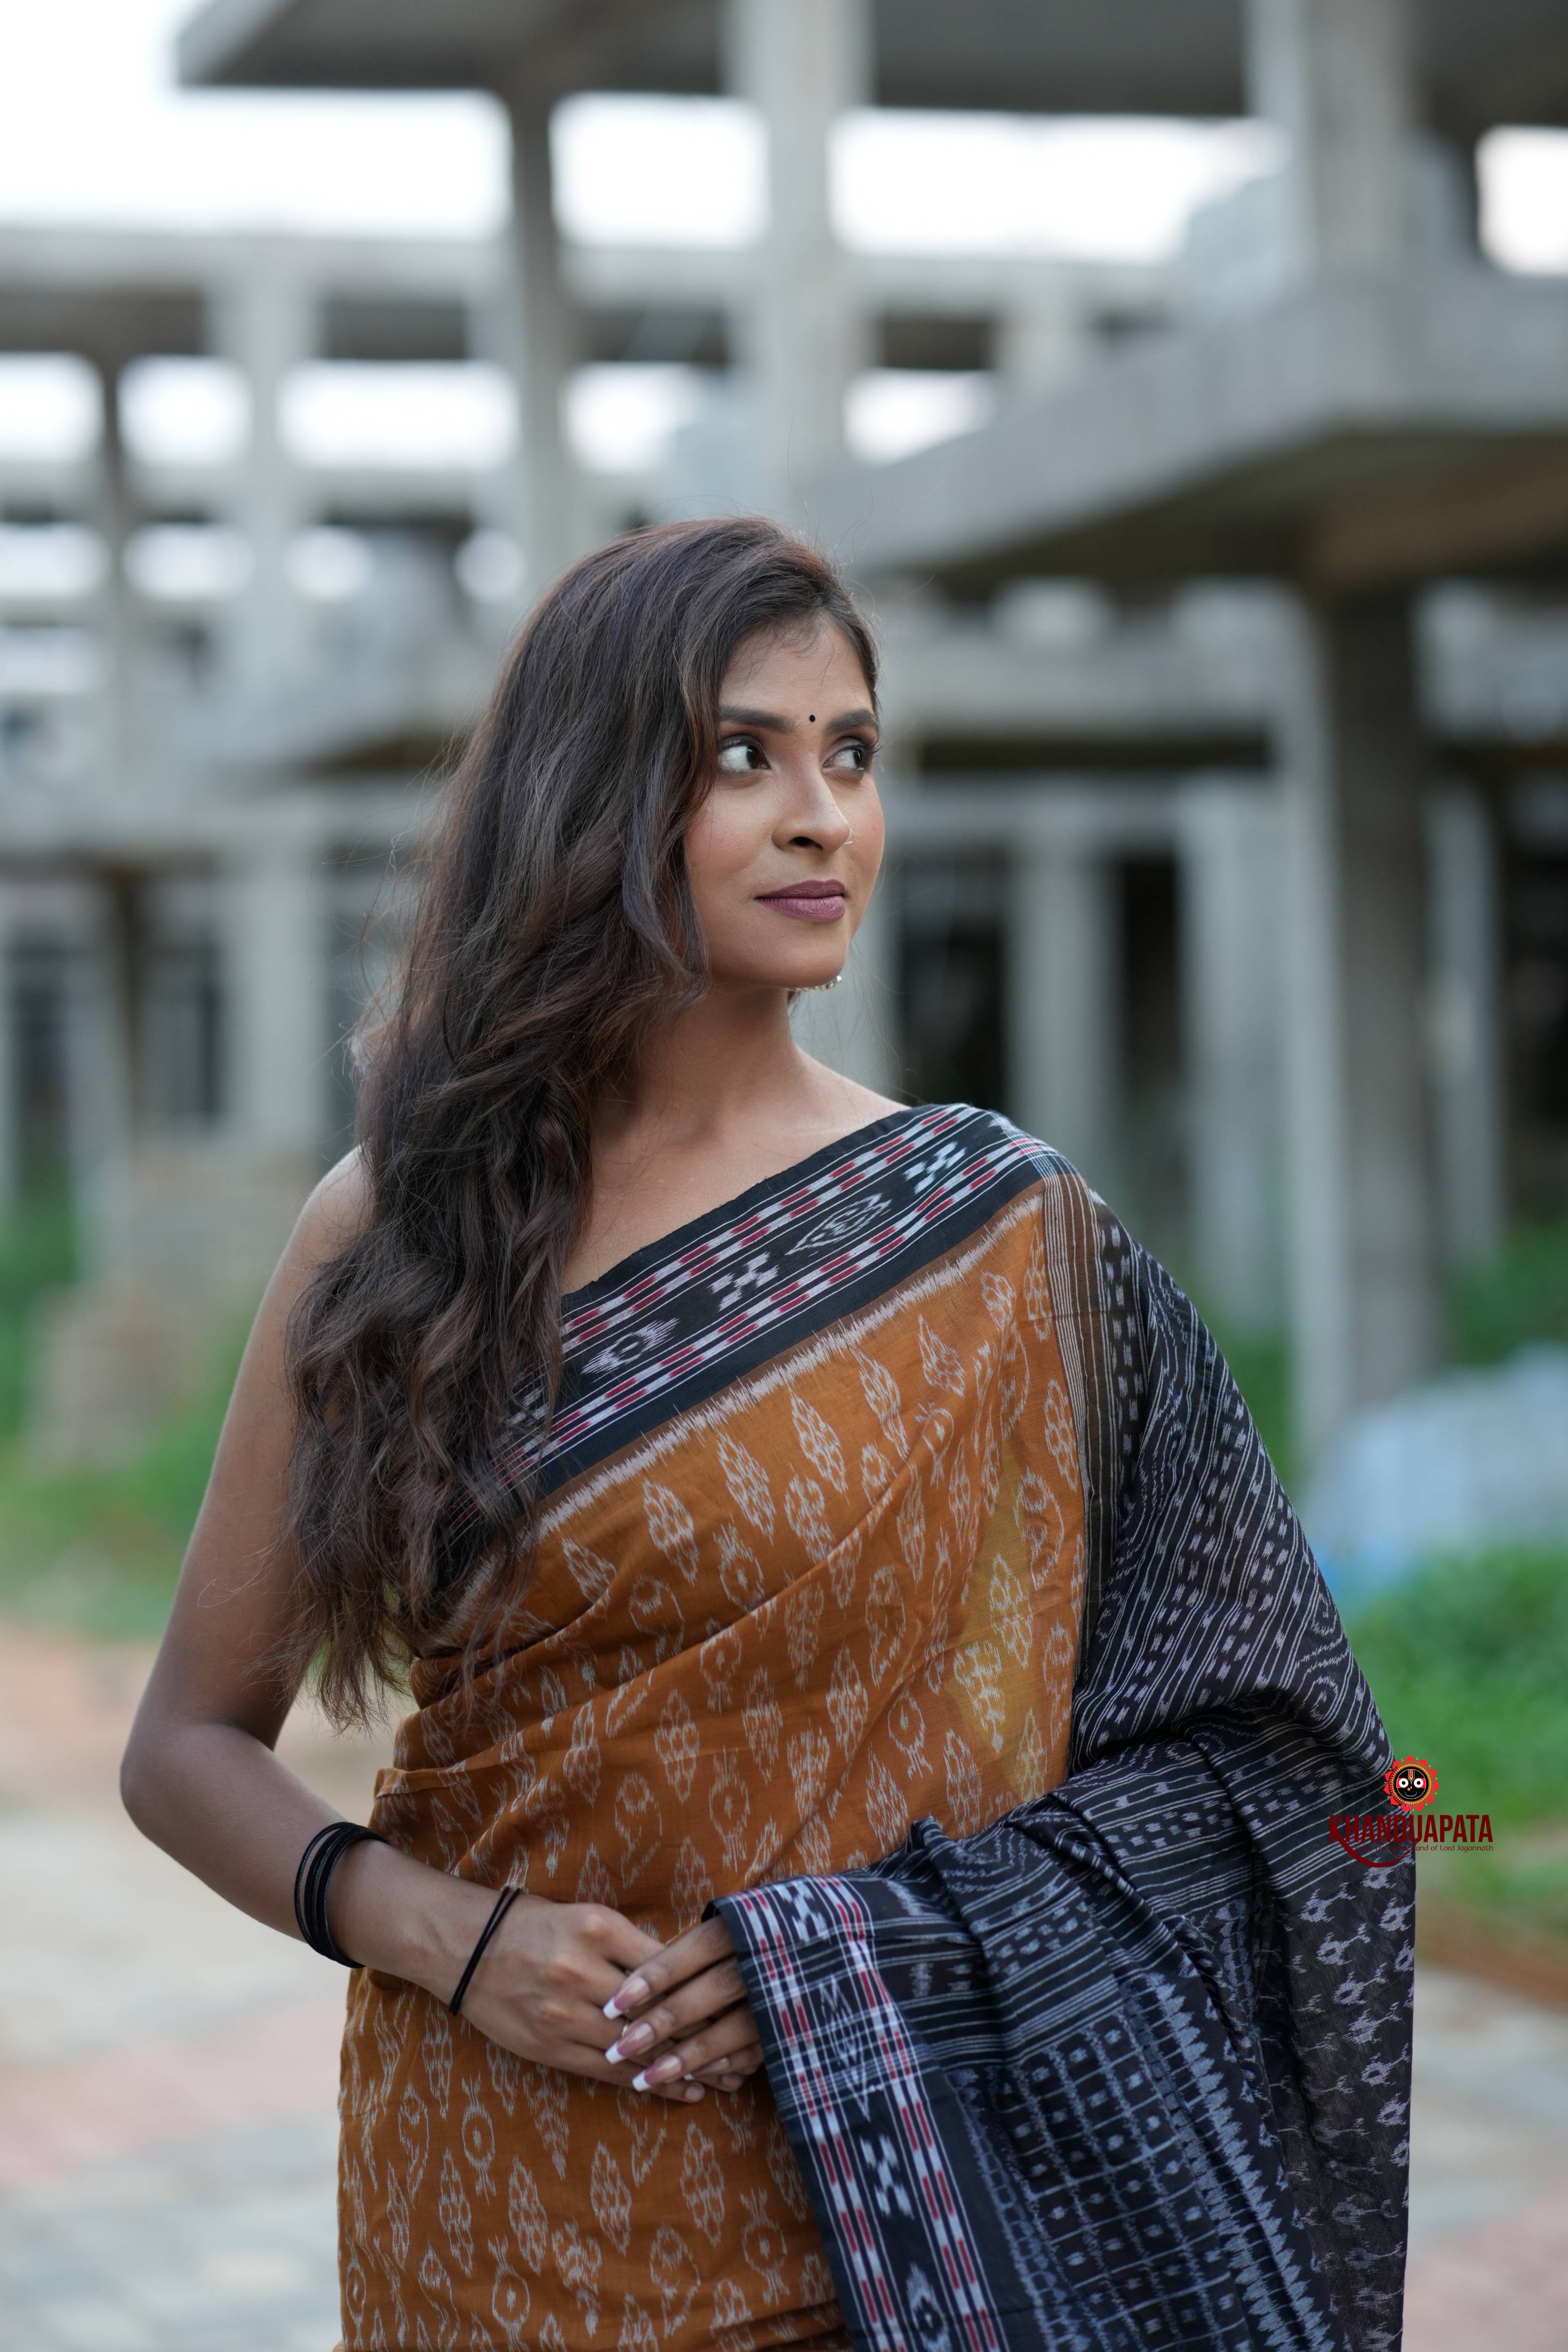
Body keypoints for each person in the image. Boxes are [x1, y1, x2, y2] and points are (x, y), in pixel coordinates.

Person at [122, 517, 1411, 2352]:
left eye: (852, 753)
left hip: (915, 2211)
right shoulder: (407, 1226)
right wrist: (453, 1941)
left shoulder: (998, 1233)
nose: (824, 818)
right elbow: (184, 1746)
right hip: (496, 2204)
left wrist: (868, 1960)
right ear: (594, 792)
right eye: (745, 754)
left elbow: (1282, 1758)